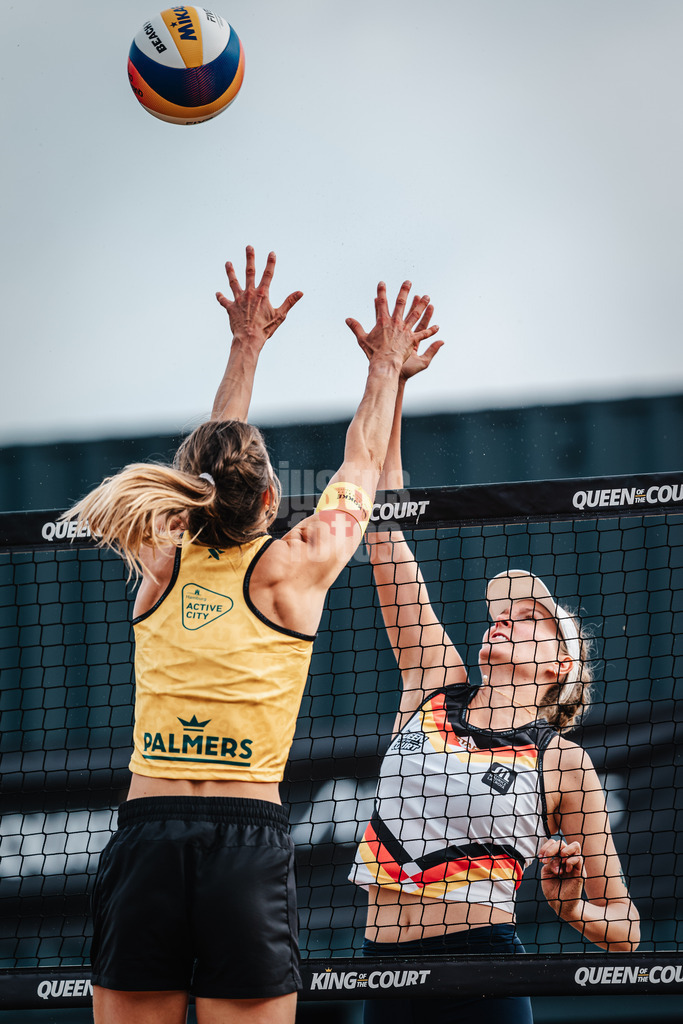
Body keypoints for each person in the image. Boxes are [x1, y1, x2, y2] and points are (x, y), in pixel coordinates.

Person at [64, 246, 440, 1024]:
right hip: (245, 842)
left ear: (187, 493)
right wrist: (385, 367)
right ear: (271, 496)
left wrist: (245, 345)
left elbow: (204, 466)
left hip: (150, 837)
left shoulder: (162, 556)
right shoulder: (295, 566)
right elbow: (364, 458)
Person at [348, 342, 640, 1024]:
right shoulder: (433, 685)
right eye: (499, 615)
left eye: (528, 618)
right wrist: (388, 379)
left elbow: (626, 930)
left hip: (485, 970)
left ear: (557, 664)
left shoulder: (563, 761)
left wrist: (570, 909)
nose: (503, 621)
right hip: (379, 976)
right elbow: (384, 530)